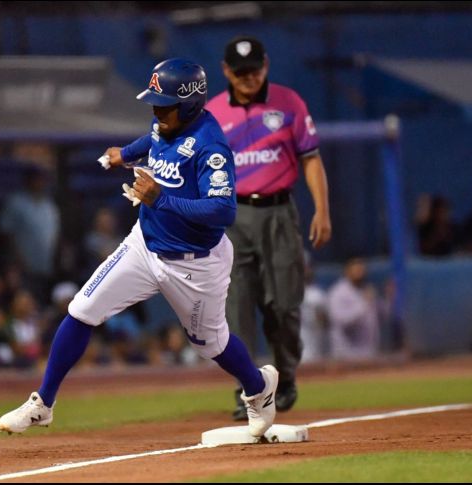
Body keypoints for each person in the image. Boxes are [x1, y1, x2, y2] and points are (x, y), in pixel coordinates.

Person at [0, 58, 279, 438]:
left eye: (164, 105)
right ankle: (42, 404)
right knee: (82, 309)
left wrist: (161, 199)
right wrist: (126, 154)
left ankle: (259, 388)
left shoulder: (210, 147)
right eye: (155, 104)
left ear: (189, 105)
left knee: (210, 344)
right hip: (144, 245)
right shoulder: (165, 122)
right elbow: (153, 140)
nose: (156, 112)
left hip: (195, 264)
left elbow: (223, 211)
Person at [204, 36, 332, 419]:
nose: (249, 77)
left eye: (254, 69)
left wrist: (322, 210)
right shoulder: (211, 114)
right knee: (236, 305)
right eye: (240, 71)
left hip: (278, 212)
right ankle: (249, 388)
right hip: (231, 216)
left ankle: (286, 376)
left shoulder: (288, 103)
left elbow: (311, 158)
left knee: (285, 303)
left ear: (266, 65)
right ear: (226, 71)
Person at [0, 166, 60, 306]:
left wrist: (54, 258)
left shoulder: (49, 205)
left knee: (42, 302)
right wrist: (17, 259)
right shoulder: (16, 202)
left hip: (45, 265)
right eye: (36, 179)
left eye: (42, 180)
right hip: (22, 266)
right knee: (23, 301)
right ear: (28, 181)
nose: (40, 183)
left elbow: (55, 234)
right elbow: (6, 233)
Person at [326, 259, 380, 361]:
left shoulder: (366, 289)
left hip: (368, 352)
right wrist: (364, 304)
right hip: (347, 354)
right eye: (356, 270)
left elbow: (378, 316)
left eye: (361, 270)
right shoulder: (338, 293)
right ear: (347, 271)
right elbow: (342, 322)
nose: (360, 273)